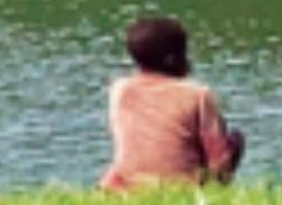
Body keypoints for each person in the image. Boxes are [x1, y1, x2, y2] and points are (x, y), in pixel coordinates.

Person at [100, 16, 244, 191]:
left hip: (129, 186)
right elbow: (217, 158)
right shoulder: (197, 95)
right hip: (185, 187)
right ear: (172, 59)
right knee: (235, 139)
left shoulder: (120, 90)